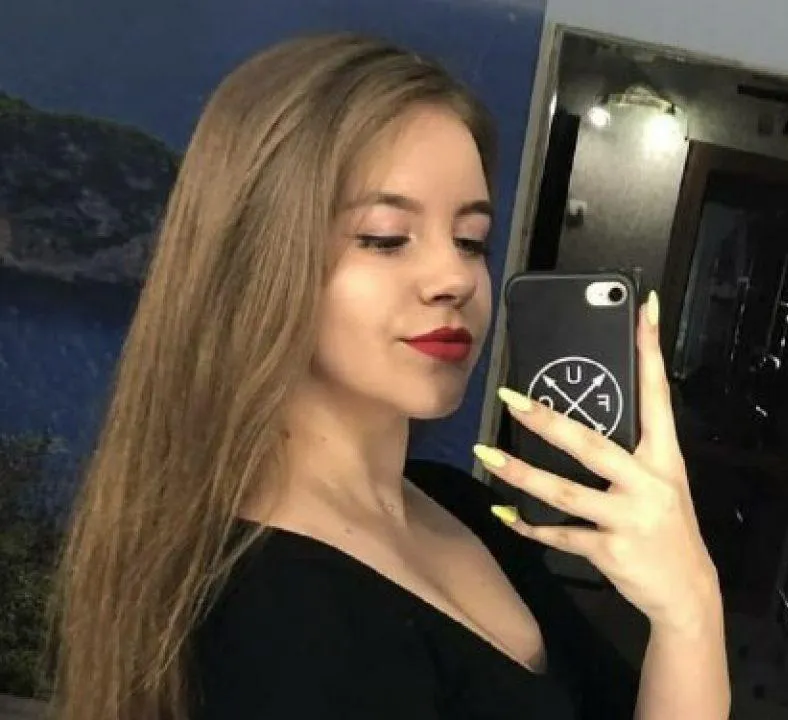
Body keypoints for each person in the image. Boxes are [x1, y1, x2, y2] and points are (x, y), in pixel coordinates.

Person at [49, 34, 730, 720]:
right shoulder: (269, 618)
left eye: (471, 240)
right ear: (257, 257)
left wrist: (689, 607)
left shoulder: (463, 506)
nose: (454, 277)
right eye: (385, 237)